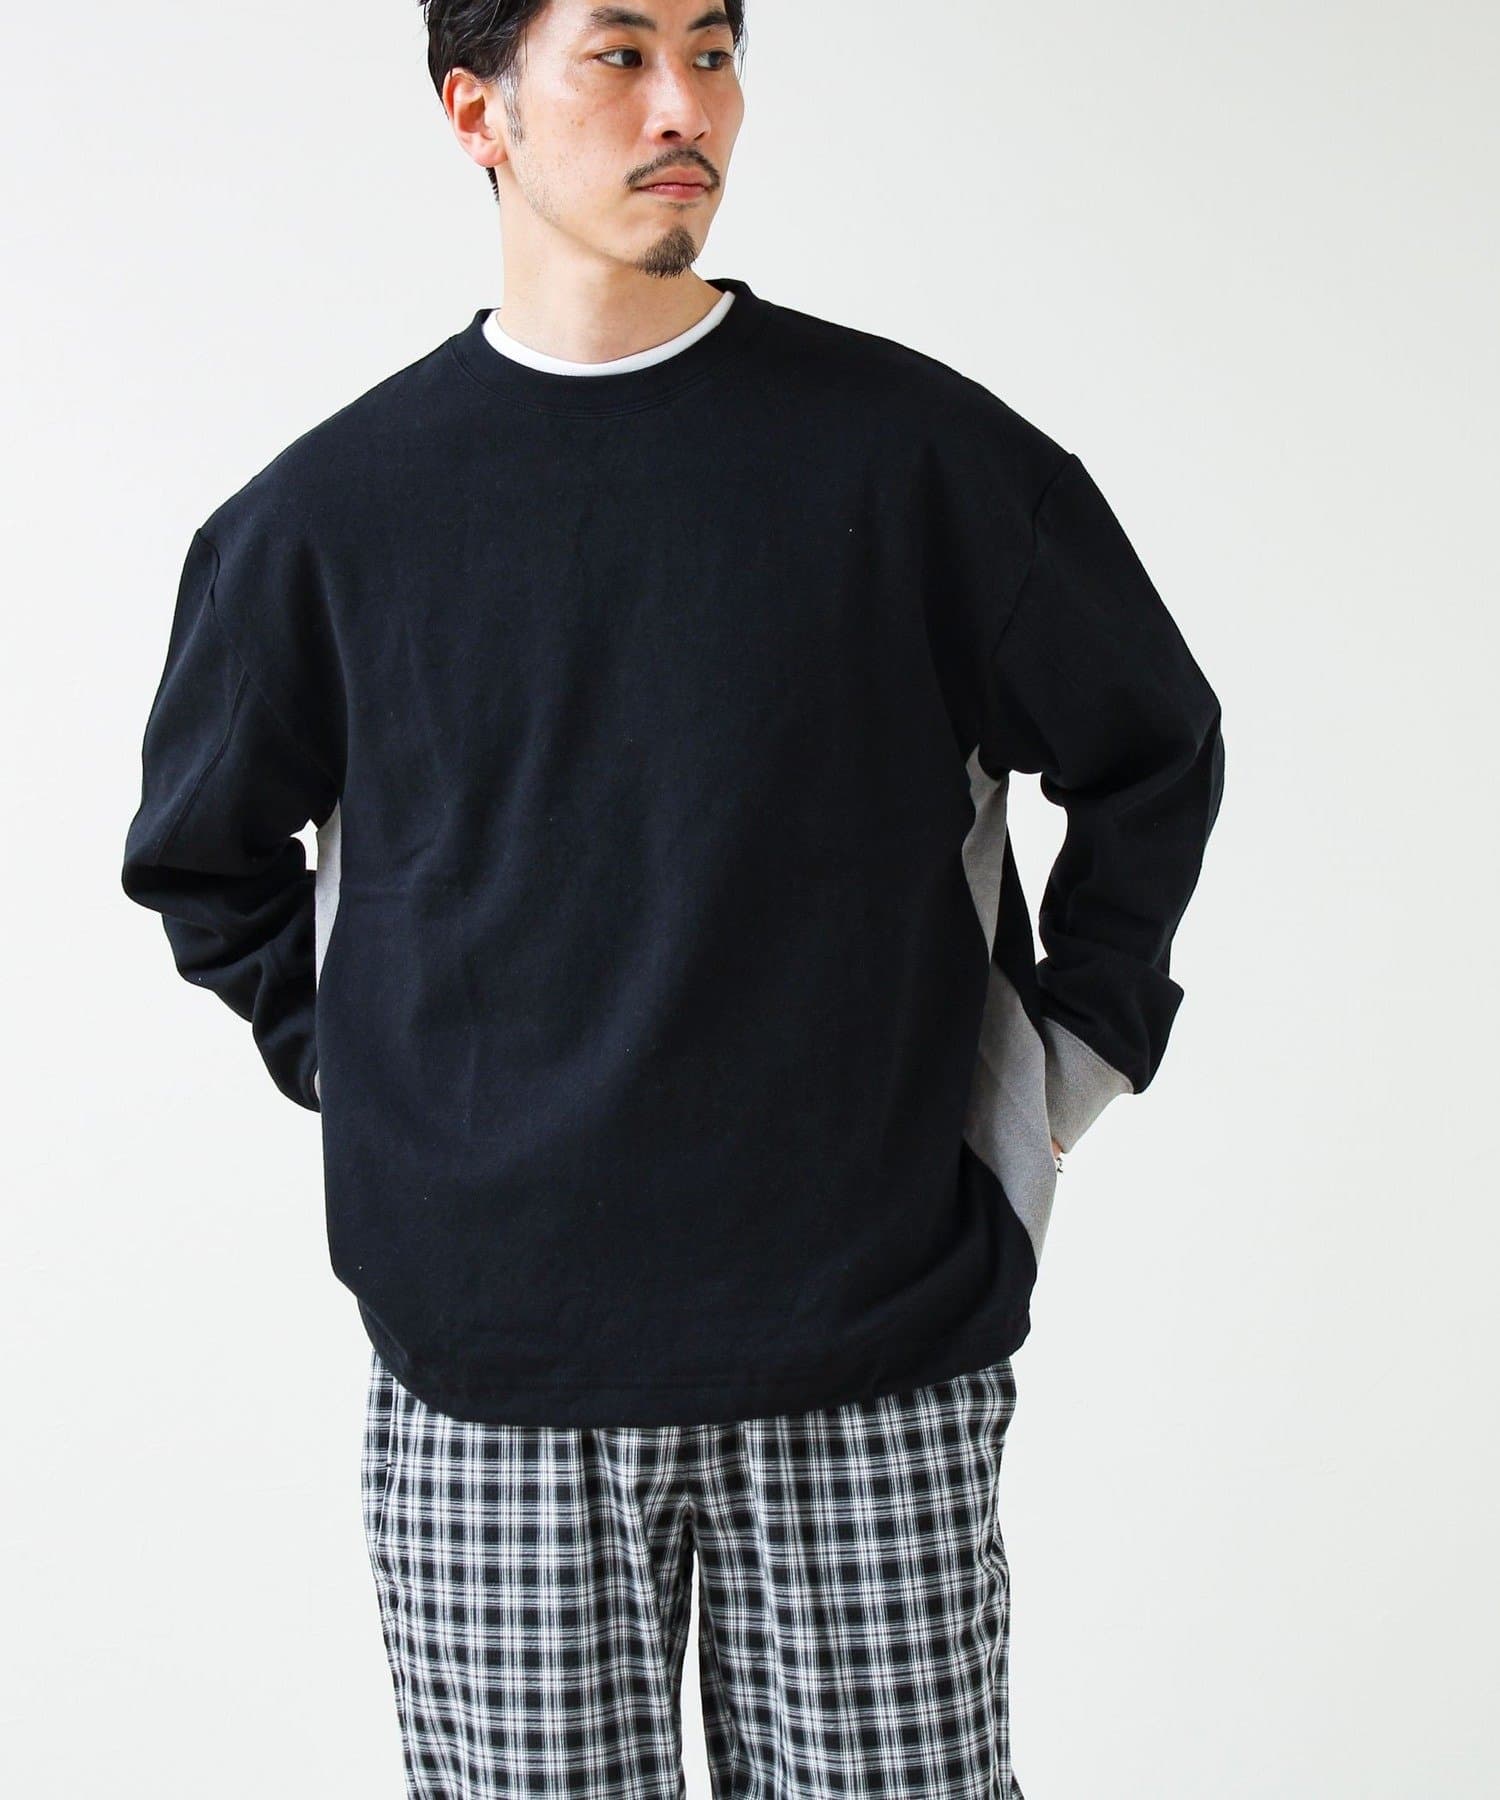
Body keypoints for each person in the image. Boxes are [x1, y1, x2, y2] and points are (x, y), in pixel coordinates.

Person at [120, 2, 1226, 1793]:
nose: (681, 107)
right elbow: (200, 854)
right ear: (475, 108)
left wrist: (1063, 1068)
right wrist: (375, 1082)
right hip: (492, 1373)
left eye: (712, 55)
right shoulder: (322, 522)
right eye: (618, 54)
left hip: (872, 1345)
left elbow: (1151, 748)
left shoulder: (923, 462)